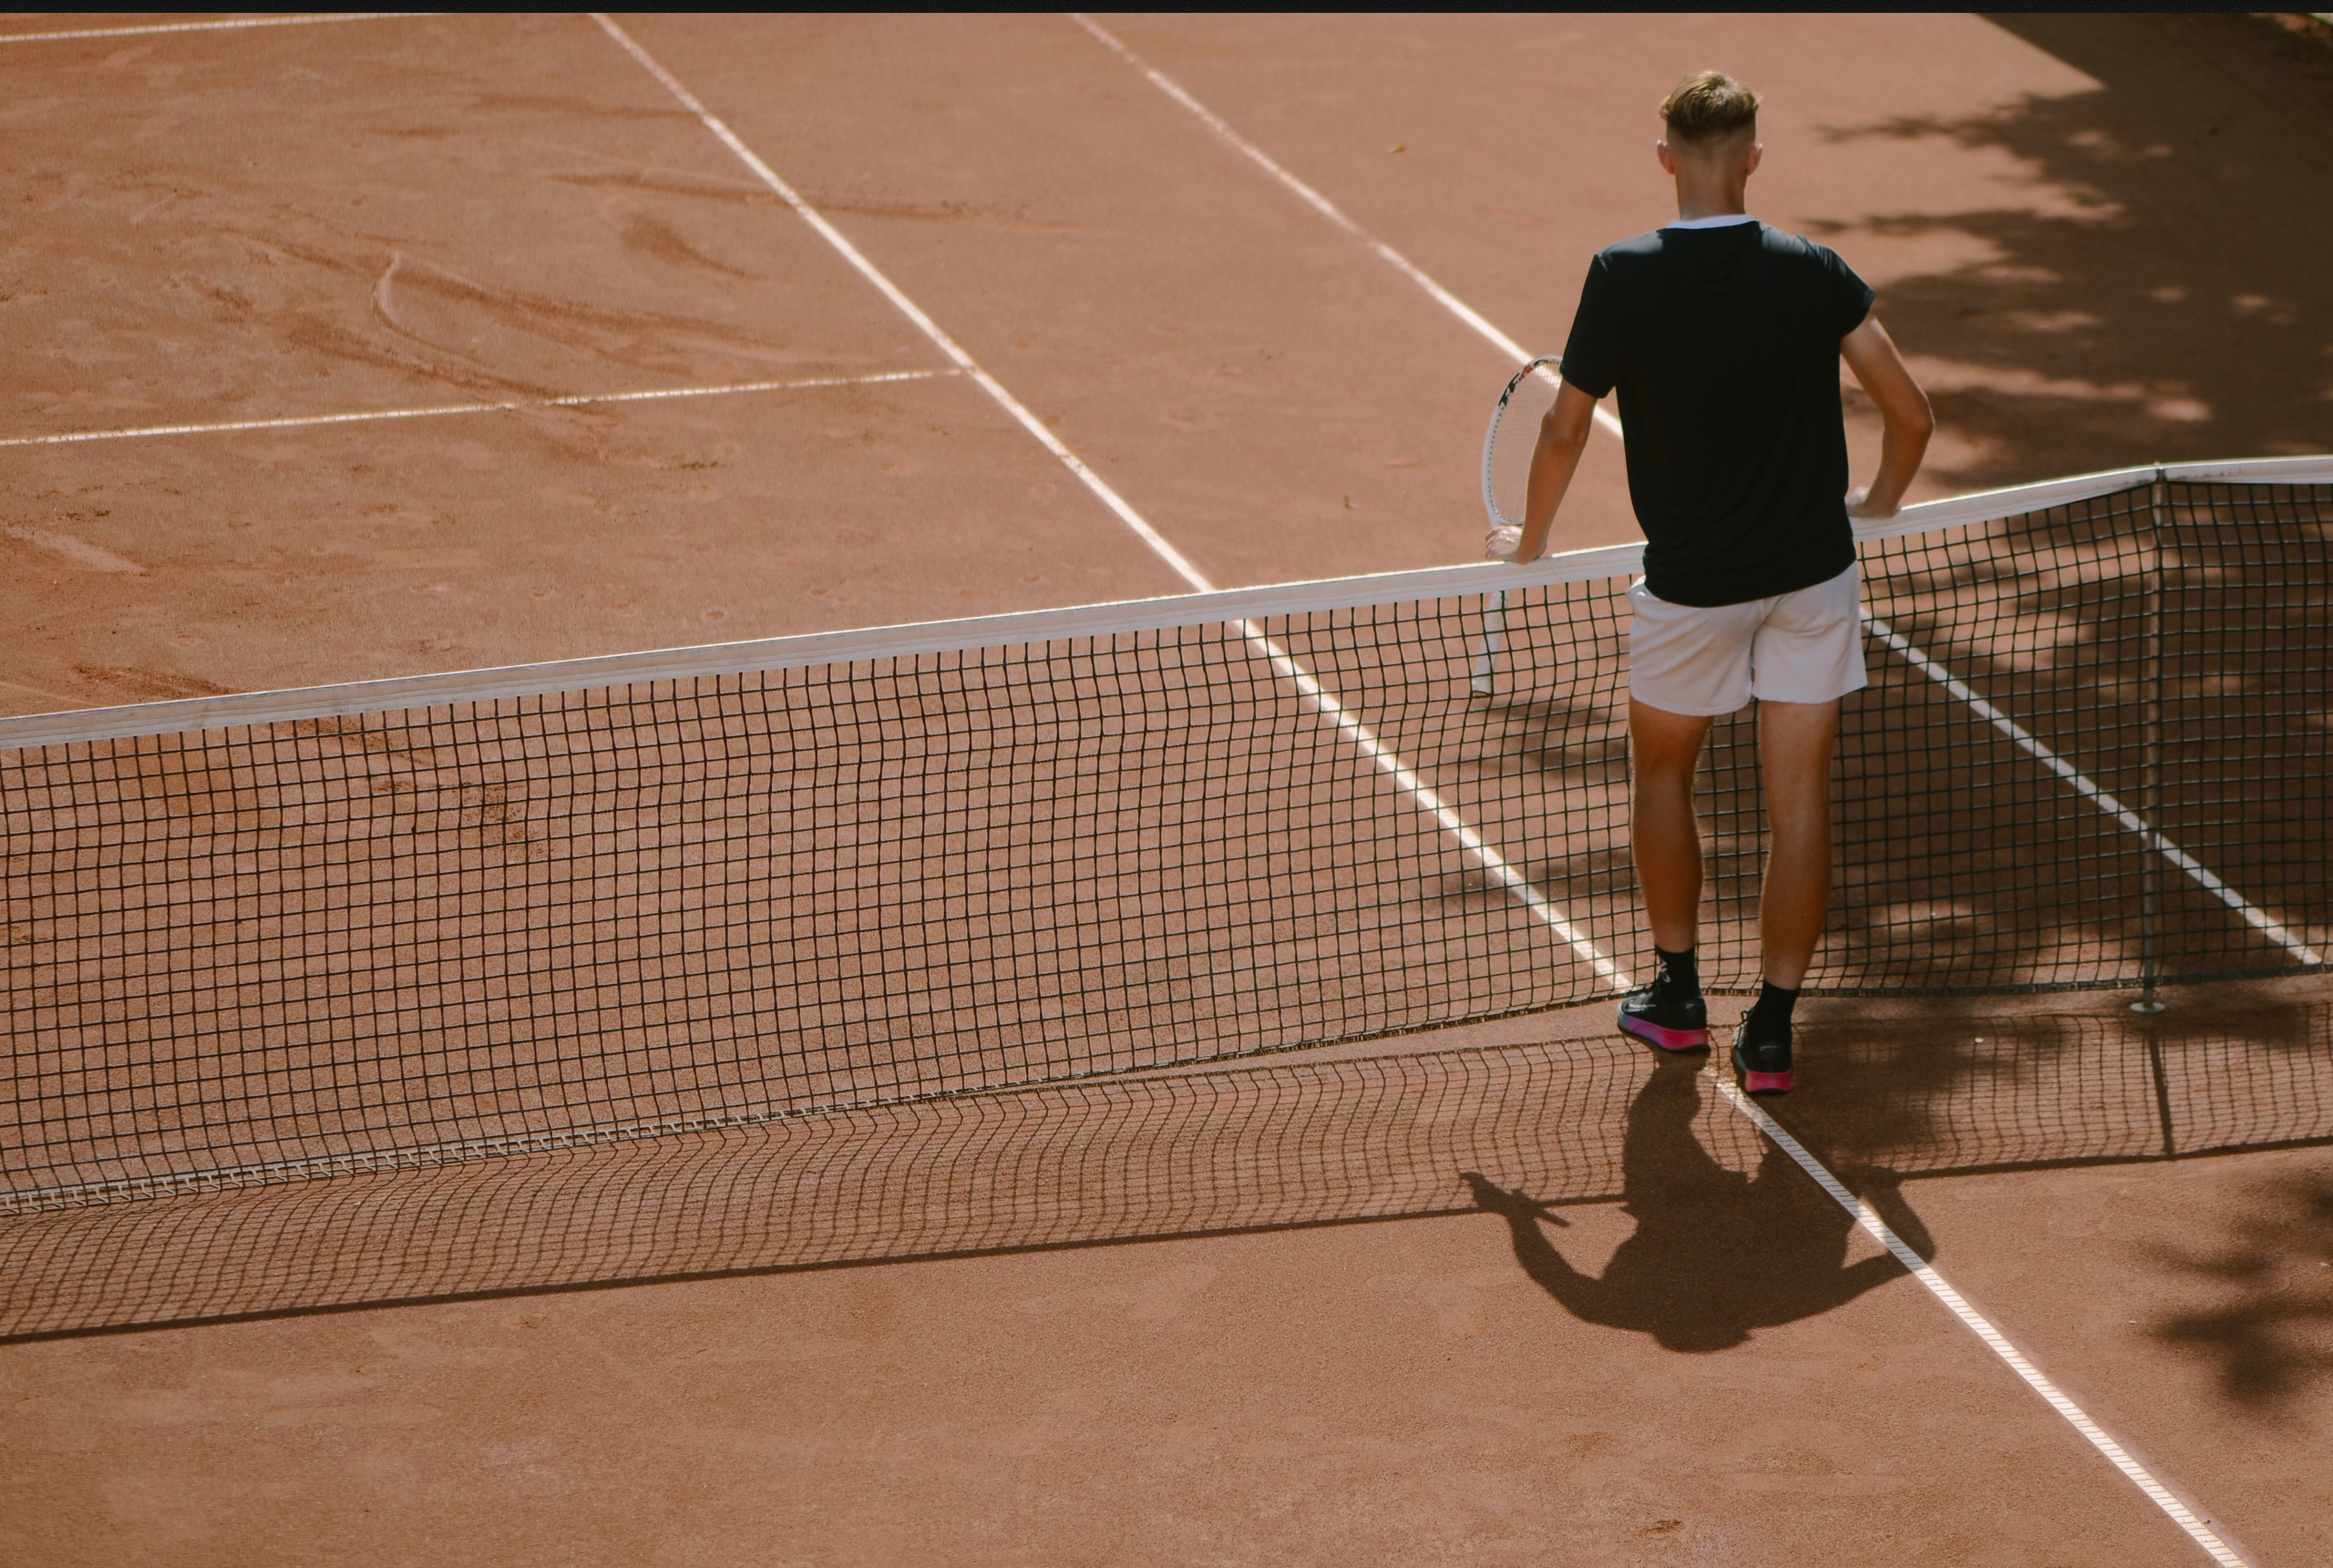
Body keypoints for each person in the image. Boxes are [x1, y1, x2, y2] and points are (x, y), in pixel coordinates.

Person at [1486, 69, 1933, 1093]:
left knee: (1661, 775)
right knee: (1799, 803)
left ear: (1665, 159)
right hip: (1812, 577)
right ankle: (1771, 1031)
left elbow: (1564, 428)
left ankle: (1678, 996)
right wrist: (1877, 502)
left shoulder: (1622, 274)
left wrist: (1532, 543)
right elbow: (1909, 412)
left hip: (1692, 589)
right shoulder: (1813, 270)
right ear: (1753, 160)